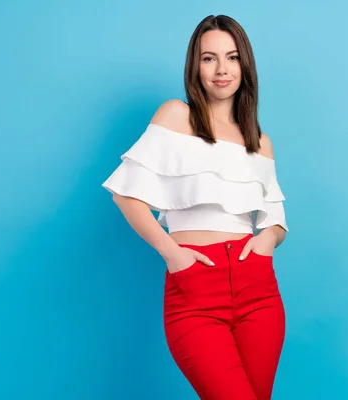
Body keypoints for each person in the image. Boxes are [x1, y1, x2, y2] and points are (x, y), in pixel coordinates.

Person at [102, 14, 288, 400]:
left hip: (258, 291)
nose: (222, 69)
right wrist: (172, 254)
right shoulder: (176, 116)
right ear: (195, 65)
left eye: (232, 57)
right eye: (209, 58)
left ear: (245, 65)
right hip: (196, 289)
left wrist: (267, 239)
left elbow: (276, 220)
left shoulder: (259, 141)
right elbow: (126, 195)